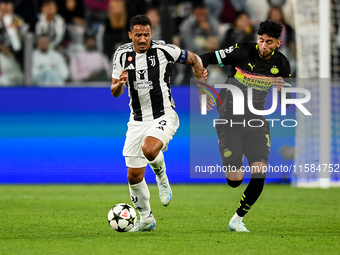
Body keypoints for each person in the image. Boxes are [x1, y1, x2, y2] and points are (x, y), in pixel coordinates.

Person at [111, 14, 204, 232]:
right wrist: (120, 84)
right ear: (130, 35)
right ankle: (146, 220)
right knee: (133, 176)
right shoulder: (122, 54)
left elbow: (194, 58)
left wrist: (202, 86)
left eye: (146, 34)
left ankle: (162, 178)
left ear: (151, 34)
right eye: (138, 35)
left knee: (149, 148)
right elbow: (114, 91)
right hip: (136, 120)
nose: (142, 39)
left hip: (164, 115)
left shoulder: (164, 50)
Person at [200, 20, 291, 232]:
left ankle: (237, 219)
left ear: (277, 43)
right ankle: (230, 151)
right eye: (261, 40)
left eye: (269, 42)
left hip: (256, 120)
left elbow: (287, 102)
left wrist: (283, 89)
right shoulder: (242, 51)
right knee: (235, 180)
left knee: (260, 173)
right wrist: (201, 82)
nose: (263, 45)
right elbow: (205, 58)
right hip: (229, 118)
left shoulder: (282, 63)